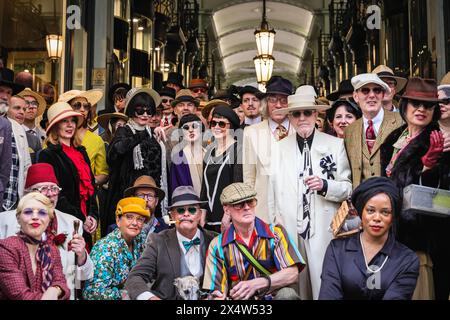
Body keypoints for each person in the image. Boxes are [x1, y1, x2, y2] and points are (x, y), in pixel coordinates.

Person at [268, 85, 352, 300]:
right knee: (293, 287)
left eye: (307, 112)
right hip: (288, 229)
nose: (302, 118)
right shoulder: (278, 148)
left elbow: (347, 188)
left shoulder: (335, 145)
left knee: (324, 285)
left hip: (323, 229)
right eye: (296, 113)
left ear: (316, 114)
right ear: (291, 117)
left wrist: (325, 185)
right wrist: (272, 227)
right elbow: (271, 192)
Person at [380, 77, 444, 300]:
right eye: (415, 103)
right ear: (404, 105)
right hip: (387, 232)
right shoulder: (394, 138)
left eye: (428, 105)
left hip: (419, 237)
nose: (421, 109)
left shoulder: (438, 141)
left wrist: (427, 169)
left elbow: (440, 198)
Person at [0, 163, 94, 299]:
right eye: (43, 189)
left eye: (54, 189)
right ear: (29, 193)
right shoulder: (4, 221)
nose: (50, 194)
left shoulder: (72, 223)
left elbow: (81, 278)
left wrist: (81, 257)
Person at [319, 177, 419, 300]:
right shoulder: (337, 250)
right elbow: (329, 295)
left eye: (385, 212)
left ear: (392, 217)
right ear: (361, 212)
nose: (377, 218)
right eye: (370, 210)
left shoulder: (407, 260)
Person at [203, 183, 305, 300]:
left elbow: (292, 273)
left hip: (272, 297)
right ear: (226, 209)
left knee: (287, 295)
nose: (247, 207)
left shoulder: (275, 234)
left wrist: (257, 284)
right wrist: (218, 297)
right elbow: (217, 291)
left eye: (250, 202)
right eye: (239, 204)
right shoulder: (217, 246)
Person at [126, 186, 216, 300]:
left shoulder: (215, 240)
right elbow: (135, 277)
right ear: (172, 215)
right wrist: (150, 298)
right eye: (180, 210)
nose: (186, 214)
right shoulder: (158, 241)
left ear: (199, 214)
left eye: (192, 210)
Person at [106, 88, 168, 237]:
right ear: (133, 111)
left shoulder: (152, 134)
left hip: (151, 196)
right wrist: (139, 137)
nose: (145, 115)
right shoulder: (125, 131)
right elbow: (114, 155)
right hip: (128, 194)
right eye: (140, 111)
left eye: (149, 111)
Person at [38, 102, 98, 248]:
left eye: (72, 121)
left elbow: (91, 188)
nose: (70, 125)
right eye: (64, 121)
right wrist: (81, 219)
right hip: (62, 221)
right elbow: (54, 194)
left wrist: (93, 216)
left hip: (86, 221)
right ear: (55, 127)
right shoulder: (48, 155)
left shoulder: (81, 152)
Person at [243, 76, 294, 223]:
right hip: (263, 209)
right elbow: (249, 177)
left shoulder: (300, 130)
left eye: (283, 100)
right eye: (273, 100)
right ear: (266, 103)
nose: (278, 105)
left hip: (295, 209)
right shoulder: (251, 132)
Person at [0, 192, 70, 300]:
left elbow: (62, 283)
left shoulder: (52, 251)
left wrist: (55, 289)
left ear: (49, 219)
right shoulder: (6, 248)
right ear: (18, 218)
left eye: (42, 213)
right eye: (28, 212)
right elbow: (20, 295)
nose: (35, 217)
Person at [344, 73, 403, 188]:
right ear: (356, 96)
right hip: (361, 200)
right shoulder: (350, 131)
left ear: (382, 95)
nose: (372, 95)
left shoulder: (401, 122)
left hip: (393, 197)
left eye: (377, 90)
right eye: (365, 91)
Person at [83, 197, 149, 300]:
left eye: (140, 219)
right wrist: (126, 295)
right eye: (129, 217)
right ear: (118, 220)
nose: (135, 223)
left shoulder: (141, 238)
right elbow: (92, 293)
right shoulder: (105, 248)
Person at [201, 104, 243, 233]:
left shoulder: (238, 149)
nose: (217, 127)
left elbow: (237, 185)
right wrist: (202, 212)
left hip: (229, 219)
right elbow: (204, 186)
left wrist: (229, 214)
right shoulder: (209, 150)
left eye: (222, 124)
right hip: (208, 220)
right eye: (213, 123)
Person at [59, 89, 108, 188]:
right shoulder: (56, 137)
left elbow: (103, 173)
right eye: (77, 105)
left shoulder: (96, 140)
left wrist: (87, 181)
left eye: (86, 106)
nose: (82, 109)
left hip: (87, 196)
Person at [4, 95, 32, 210]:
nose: (22, 112)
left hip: (14, 200)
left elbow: (26, 167)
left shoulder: (20, 129)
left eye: (24, 109)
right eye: (17, 108)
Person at [0, 67, 21, 209]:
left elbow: (5, 168)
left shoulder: (6, 125)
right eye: (1, 91)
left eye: (9, 93)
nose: (5, 96)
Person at [170, 114, 205, 197]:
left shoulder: (210, 155)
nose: (191, 130)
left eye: (194, 126)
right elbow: (175, 188)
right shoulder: (178, 159)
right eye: (186, 128)